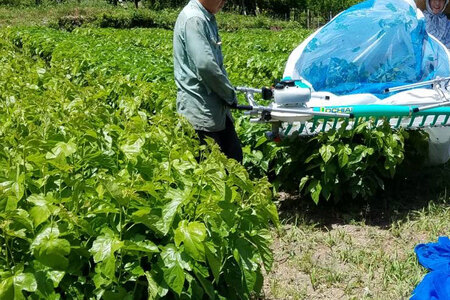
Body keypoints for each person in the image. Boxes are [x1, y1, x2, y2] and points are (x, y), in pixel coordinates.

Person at [173, 0, 243, 163]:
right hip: (201, 111)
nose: (225, 1)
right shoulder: (194, 19)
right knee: (213, 168)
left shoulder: (206, 17)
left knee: (233, 159)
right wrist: (229, 94)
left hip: (215, 109)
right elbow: (206, 66)